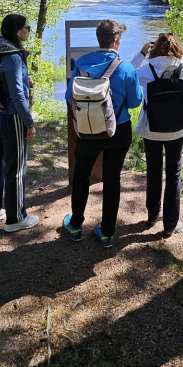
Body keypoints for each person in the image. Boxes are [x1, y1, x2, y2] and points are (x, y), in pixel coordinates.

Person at [62, 19, 142, 248]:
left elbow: (70, 97)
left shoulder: (82, 63)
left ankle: (75, 225)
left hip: (87, 130)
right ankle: (107, 232)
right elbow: (135, 102)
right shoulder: (125, 67)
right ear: (116, 41)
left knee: (81, 175)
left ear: (99, 39)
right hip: (118, 129)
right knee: (112, 179)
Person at [130, 33, 183, 238]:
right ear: (176, 49)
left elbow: (128, 72)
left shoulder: (146, 70)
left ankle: (152, 216)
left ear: (155, 48)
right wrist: (179, 54)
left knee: (154, 171)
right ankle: (170, 225)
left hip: (151, 129)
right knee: (174, 174)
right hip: (176, 129)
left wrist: (142, 53)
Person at [0, 14, 40, 232]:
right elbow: (16, 95)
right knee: (16, 167)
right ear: (17, 31)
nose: (29, 30)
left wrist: (25, 79)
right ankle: (16, 219)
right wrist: (29, 122)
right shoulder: (13, 56)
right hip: (11, 117)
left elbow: (4, 81)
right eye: (27, 27)